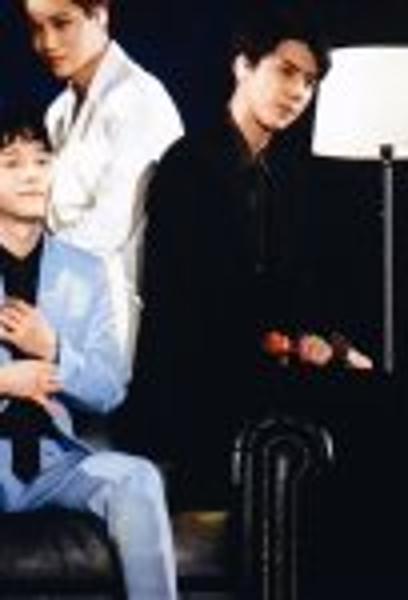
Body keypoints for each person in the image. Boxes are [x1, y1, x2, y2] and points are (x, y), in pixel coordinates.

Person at [129, 8, 371, 503]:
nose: (298, 92)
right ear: (243, 66)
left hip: (253, 375)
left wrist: (325, 342)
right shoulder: (188, 166)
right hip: (194, 388)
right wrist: (283, 342)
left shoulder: (283, 177)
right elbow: (188, 305)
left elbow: (294, 289)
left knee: (371, 400)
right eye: (286, 71)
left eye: (309, 81)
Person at [0, 105, 178, 600]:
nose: (31, 175)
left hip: (58, 461)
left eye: (42, 160)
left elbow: (109, 387)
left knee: (138, 479)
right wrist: (6, 381)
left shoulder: (87, 270)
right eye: (11, 163)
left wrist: (54, 348)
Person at [17, 0, 184, 361]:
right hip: (58, 314)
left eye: (62, 23)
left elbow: (107, 231)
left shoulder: (139, 101)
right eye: (36, 28)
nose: (47, 43)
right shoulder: (59, 110)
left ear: (100, 14)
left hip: (115, 328)